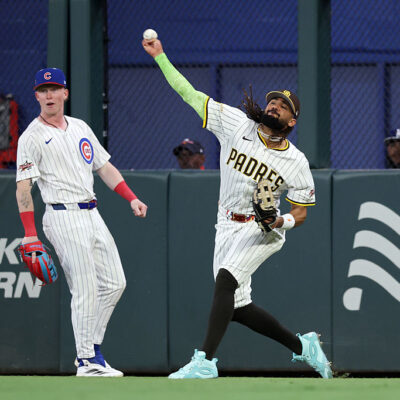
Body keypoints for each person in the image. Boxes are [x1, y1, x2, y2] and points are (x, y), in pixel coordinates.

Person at [142, 38, 332, 379]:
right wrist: (160, 57)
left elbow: (301, 213)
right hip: (225, 224)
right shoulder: (235, 123)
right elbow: (189, 94)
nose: (274, 105)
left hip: (261, 231)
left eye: (283, 106)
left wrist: (279, 221)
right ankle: (304, 347)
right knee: (238, 307)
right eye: (272, 101)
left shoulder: (296, 162)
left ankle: (204, 362)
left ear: (292, 122)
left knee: (226, 281)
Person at [16, 68, 148, 377]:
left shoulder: (80, 127)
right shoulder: (31, 137)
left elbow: (104, 168)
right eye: (43, 90)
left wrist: (131, 197)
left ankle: (93, 353)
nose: (49, 95)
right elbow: (24, 188)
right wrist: (29, 235)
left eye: (54, 88)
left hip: (92, 213)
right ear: (36, 95)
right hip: (61, 215)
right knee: (86, 287)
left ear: (65, 93)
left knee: (116, 283)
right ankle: (87, 360)